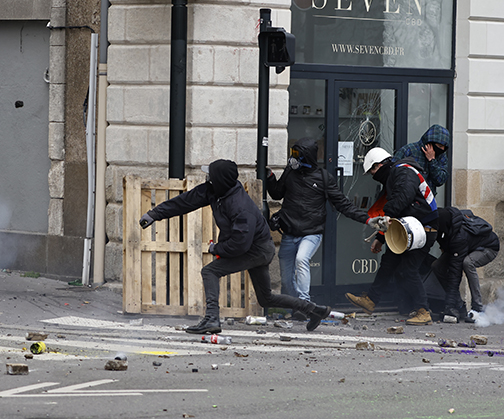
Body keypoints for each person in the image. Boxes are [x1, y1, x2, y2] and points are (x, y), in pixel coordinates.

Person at [139, 159, 332, 334]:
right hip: (251, 247)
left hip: (258, 250)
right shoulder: (215, 191)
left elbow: (240, 244)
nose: (207, 178)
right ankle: (315, 310)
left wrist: (217, 249)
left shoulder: (240, 207)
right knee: (266, 299)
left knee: (210, 271)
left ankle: (212, 318)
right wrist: (154, 214)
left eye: (210, 175)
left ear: (220, 180)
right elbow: (185, 202)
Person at [266, 138, 374, 317]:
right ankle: (296, 307)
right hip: (290, 232)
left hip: (311, 232)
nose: (293, 159)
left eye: (297, 155)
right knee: (286, 278)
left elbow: (343, 204)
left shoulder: (324, 178)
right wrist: (270, 177)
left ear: (306, 157)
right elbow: (277, 193)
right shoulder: (290, 173)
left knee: (302, 260)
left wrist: (368, 220)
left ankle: (305, 304)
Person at [345, 147, 440, 325]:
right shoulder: (397, 173)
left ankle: (424, 311)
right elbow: (399, 208)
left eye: (373, 170)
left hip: (424, 229)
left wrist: (386, 214)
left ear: (380, 165)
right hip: (412, 228)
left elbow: (402, 198)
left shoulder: (403, 172)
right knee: (388, 263)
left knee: (408, 270)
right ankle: (371, 301)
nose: (373, 174)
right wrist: (381, 238)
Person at [432, 207, 499, 323]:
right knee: (437, 266)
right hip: (466, 246)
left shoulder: (459, 236)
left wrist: (449, 305)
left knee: (468, 263)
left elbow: (455, 273)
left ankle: (477, 308)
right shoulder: (445, 228)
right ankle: (459, 305)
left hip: (488, 247)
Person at [392, 124, 450, 194]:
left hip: (428, 199)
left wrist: (432, 160)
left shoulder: (441, 156)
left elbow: (440, 180)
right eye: (440, 146)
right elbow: (393, 171)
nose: (442, 149)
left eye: (444, 148)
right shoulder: (409, 150)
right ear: (430, 142)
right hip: (407, 197)